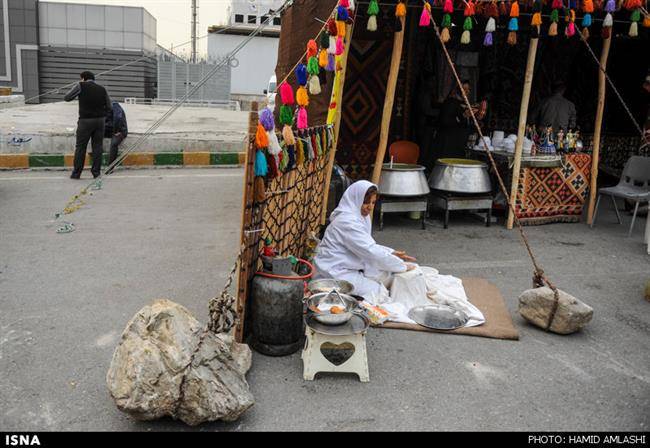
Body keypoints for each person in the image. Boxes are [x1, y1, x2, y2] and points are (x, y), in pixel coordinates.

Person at [314, 180, 417, 303]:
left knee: (383, 278)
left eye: (373, 202)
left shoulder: (359, 216)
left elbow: (366, 245)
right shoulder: (347, 222)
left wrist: (391, 253)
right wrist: (401, 266)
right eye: (365, 202)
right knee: (378, 292)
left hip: (346, 267)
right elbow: (369, 251)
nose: (370, 207)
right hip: (333, 272)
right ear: (355, 200)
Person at [64, 71, 112, 179]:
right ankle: (96, 173)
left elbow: (67, 98)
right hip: (100, 121)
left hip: (85, 121)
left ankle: (77, 173)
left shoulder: (80, 85)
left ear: (83, 78)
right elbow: (109, 106)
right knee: (97, 147)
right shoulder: (102, 89)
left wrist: (77, 86)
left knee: (81, 147)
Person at [425, 80, 475, 173]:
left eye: (468, 89)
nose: (467, 91)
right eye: (464, 89)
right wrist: (462, 116)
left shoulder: (465, 105)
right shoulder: (450, 103)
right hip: (448, 144)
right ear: (458, 90)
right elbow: (445, 122)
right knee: (445, 170)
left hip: (458, 144)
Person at [105, 101, 128, 170]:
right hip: (109, 129)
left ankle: (110, 167)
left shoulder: (115, 105)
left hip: (120, 130)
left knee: (114, 143)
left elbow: (118, 118)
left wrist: (116, 131)